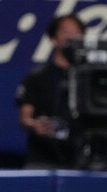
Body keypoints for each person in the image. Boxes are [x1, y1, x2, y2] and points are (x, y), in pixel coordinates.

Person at [15, 13, 86, 168]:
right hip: (42, 160)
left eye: (77, 32)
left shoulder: (89, 77)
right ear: (53, 38)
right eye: (65, 31)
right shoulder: (38, 76)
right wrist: (35, 125)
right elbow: (25, 117)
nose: (71, 36)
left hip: (81, 160)